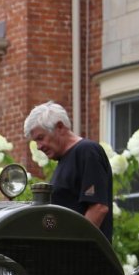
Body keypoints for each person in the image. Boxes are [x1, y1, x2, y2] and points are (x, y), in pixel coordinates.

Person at [24, 102, 113, 241]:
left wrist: (73, 246)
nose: (39, 146)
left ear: (60, 127)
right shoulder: (64, 160)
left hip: (84, 258)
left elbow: (98, 208)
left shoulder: (87, 151)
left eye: (41, 138)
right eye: (36, 141)